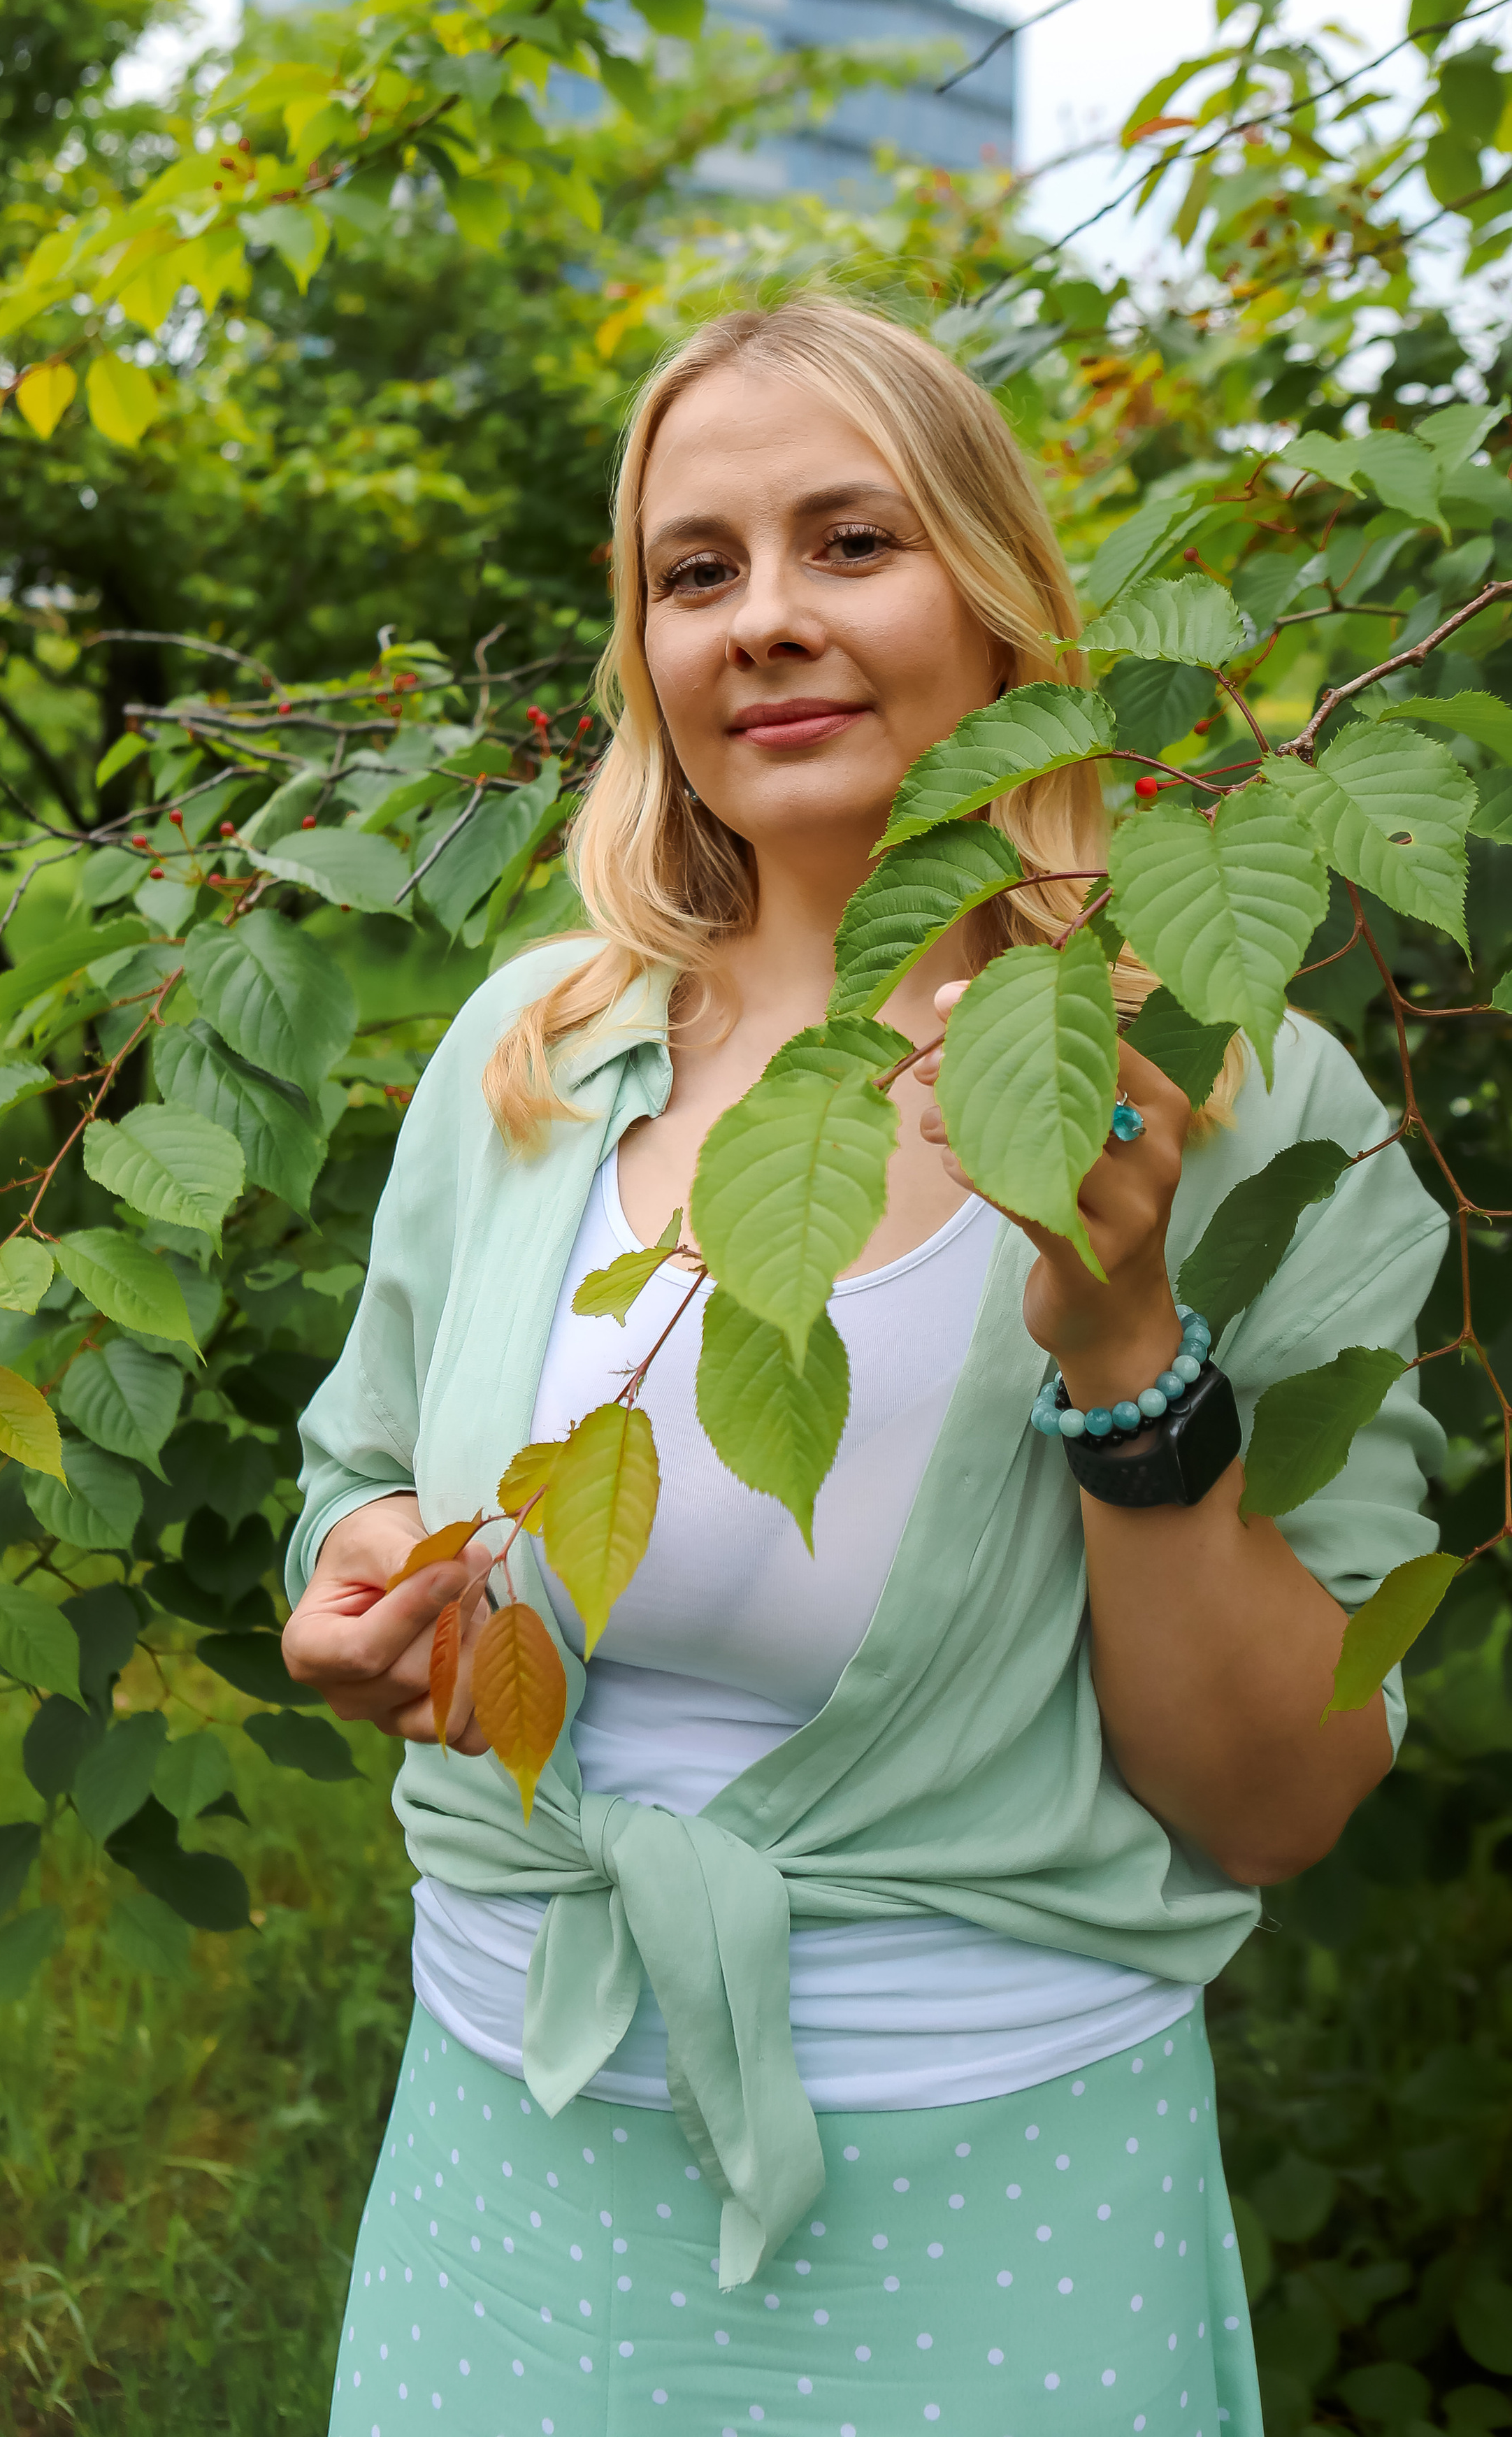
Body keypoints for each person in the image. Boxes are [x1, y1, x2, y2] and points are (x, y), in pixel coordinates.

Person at [284, 299, 1444, 2436]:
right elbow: (355, 1456)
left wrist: (1126, 1358)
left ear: (999, 600)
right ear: (640, 653)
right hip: (510, 2175)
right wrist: (368, 1573)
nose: (765, 623)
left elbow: (1281, 1798)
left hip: (989, 2201)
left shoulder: (1228, 1091)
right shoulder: (533, 1057)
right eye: (694, 572)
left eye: (851, 542)